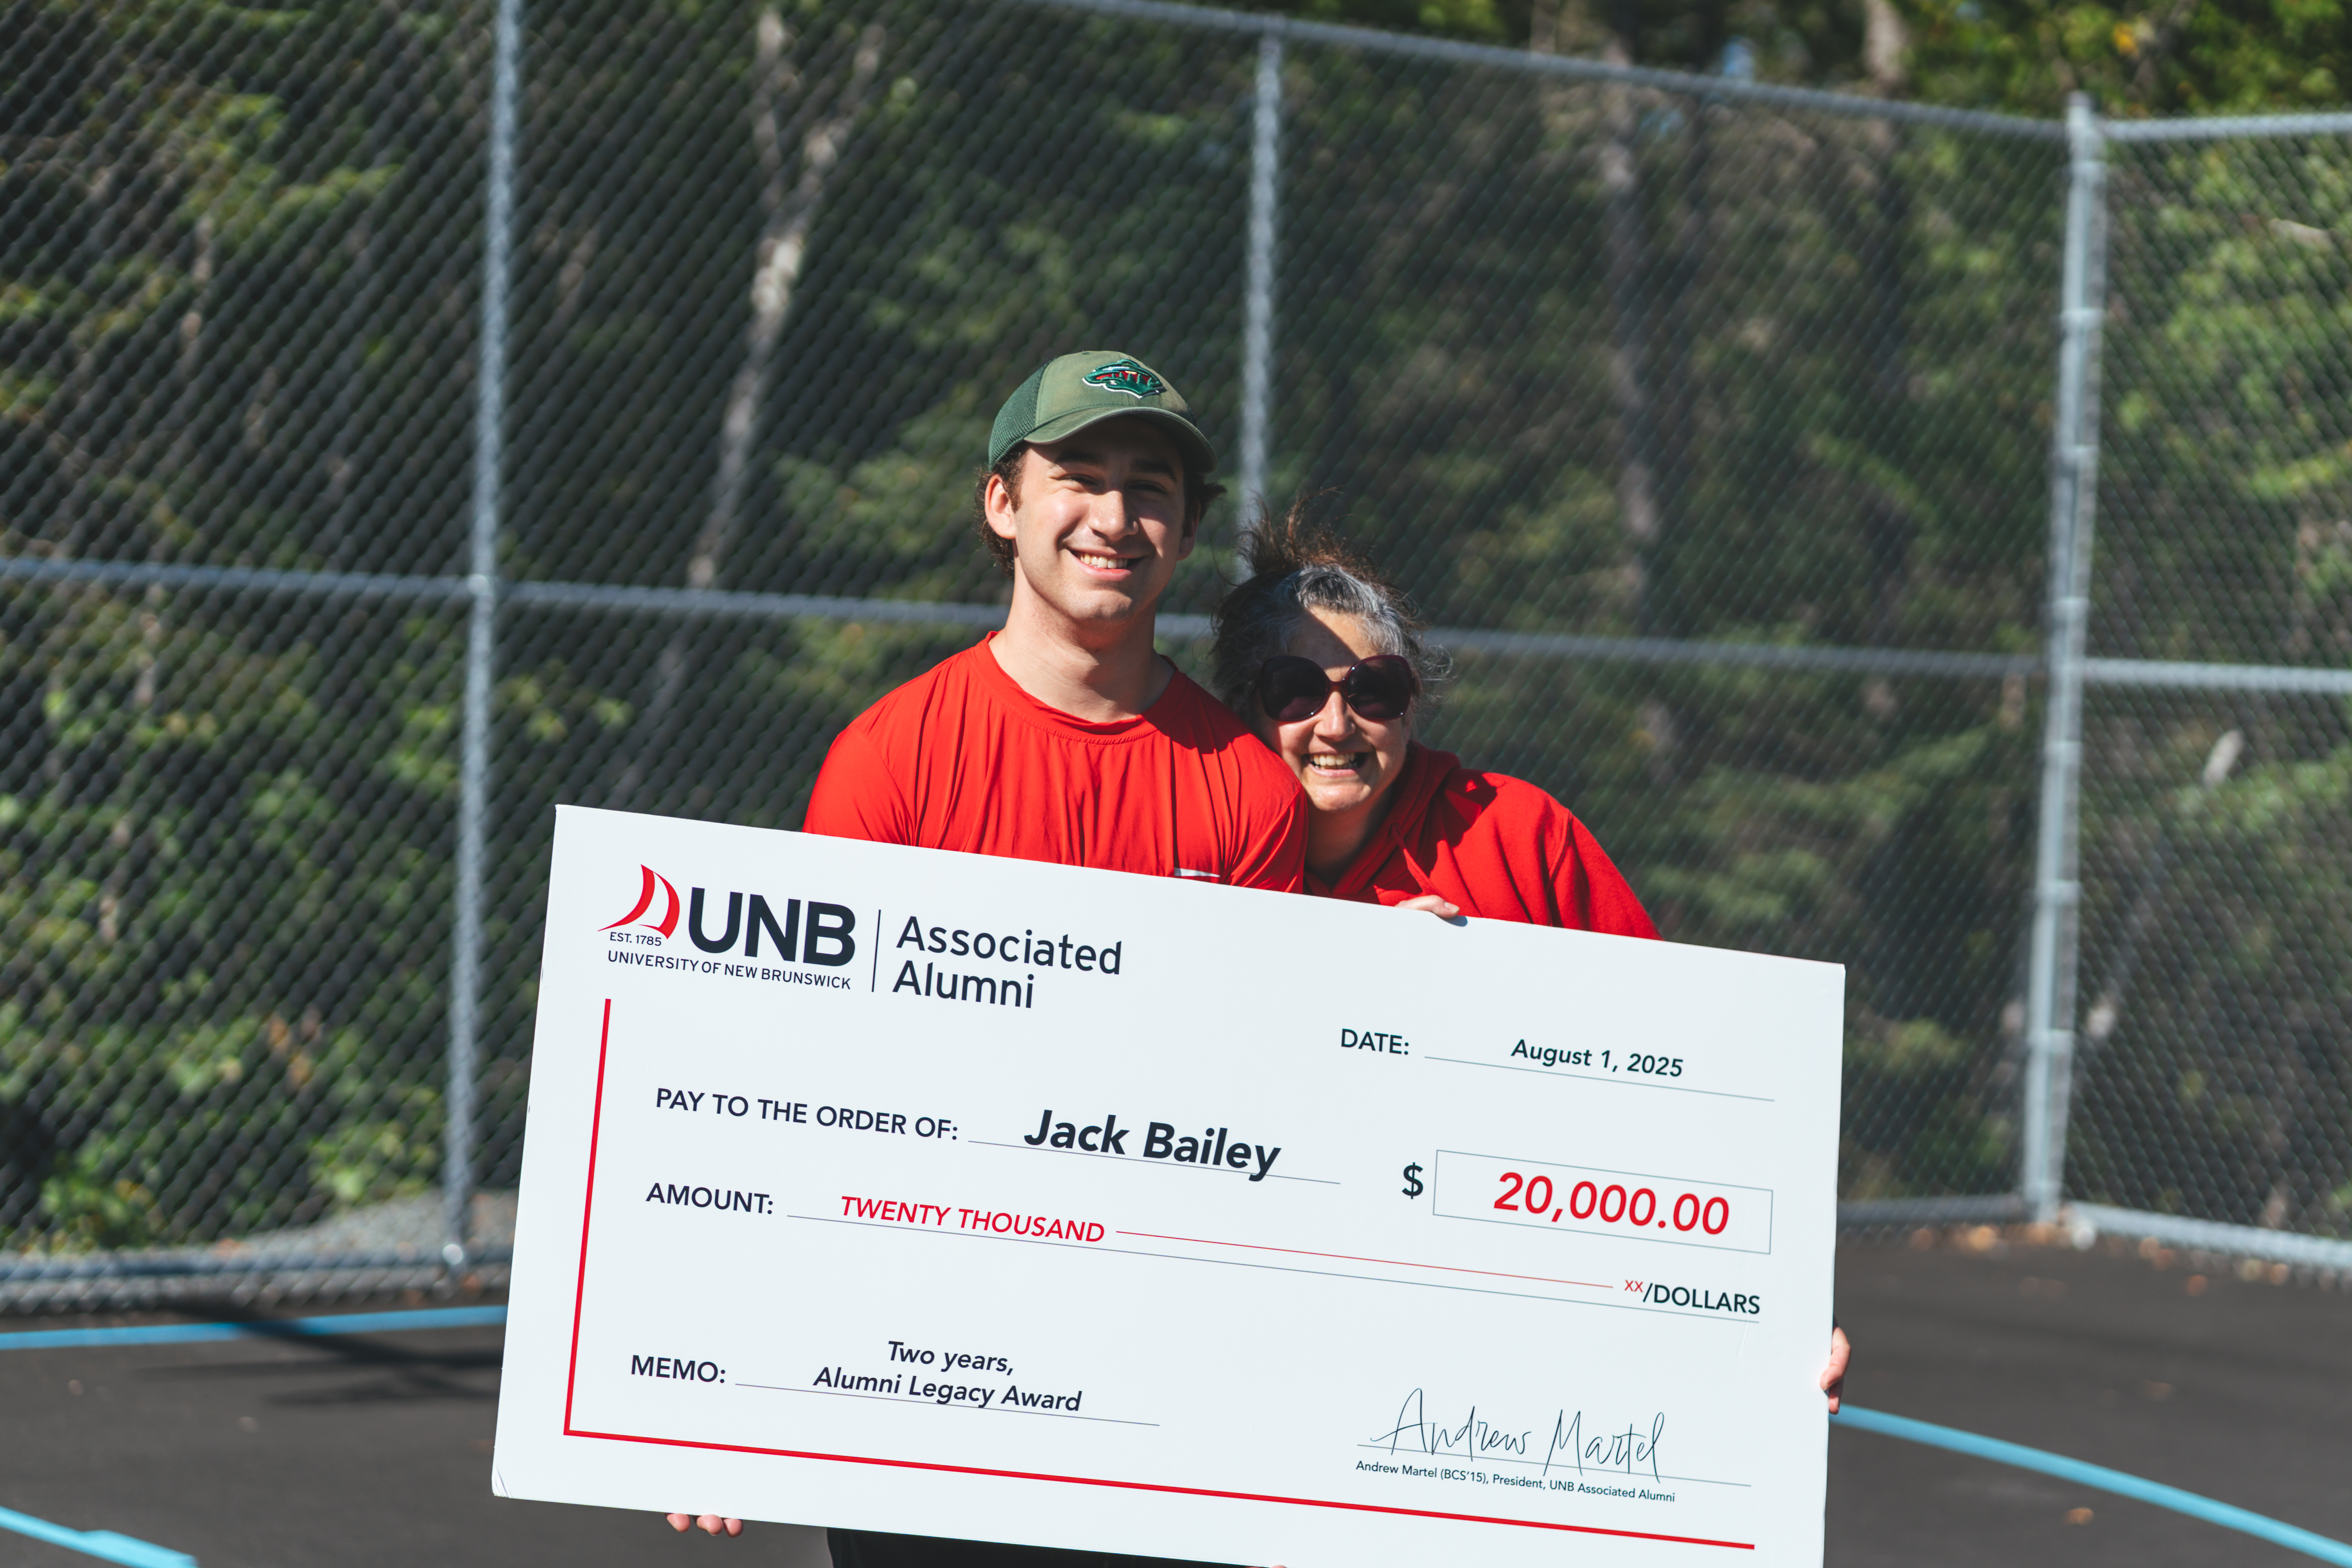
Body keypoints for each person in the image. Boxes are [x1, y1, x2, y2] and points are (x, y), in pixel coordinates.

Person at [664, 351, 1304, 1550]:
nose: (1115, 515)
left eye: (1151, 485)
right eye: (1079, 474)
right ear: (1001, 504)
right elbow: (803, 1081)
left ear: (1184, 526)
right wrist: (723, 1378)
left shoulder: (1246, 790)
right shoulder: (891, 755)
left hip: (1145, 1383)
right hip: (922, 1369)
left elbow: (1252, 1098)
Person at [1208, 507, 1852, 1410]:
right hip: (1272, 1321)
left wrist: (1775, 1311)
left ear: (1412, 702)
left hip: (1501, 1329)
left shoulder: (1516, 830)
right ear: (1243, 703)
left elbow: (1677, 1082)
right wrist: (1337, 980)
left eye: (1375, 690)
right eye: (1294, 688)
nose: (1336, 721)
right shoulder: (1198, 848)